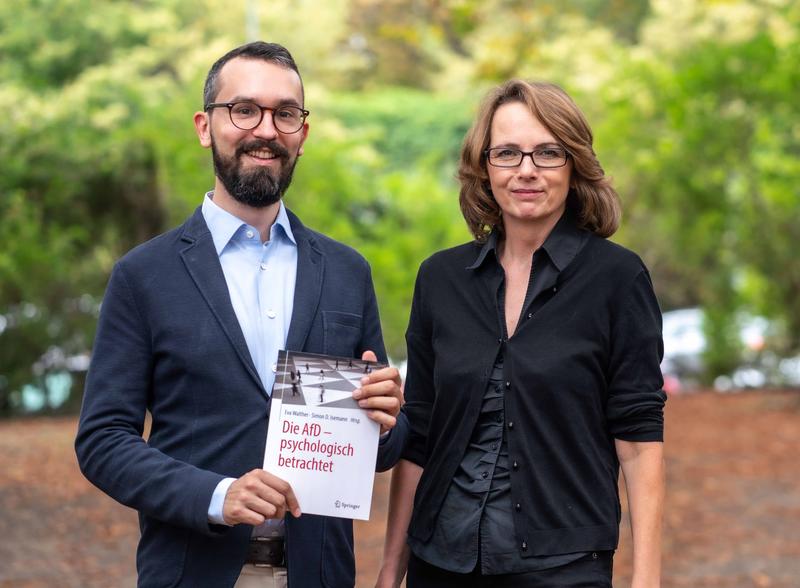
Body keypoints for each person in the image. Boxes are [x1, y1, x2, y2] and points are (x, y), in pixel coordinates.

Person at [75, 41, 406, 588]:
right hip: (194, 570)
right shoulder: (144, 275)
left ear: (303, 133)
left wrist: (387, 417)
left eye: (286, 113)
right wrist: (217, 496)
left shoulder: (348, 271)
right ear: (206, 126)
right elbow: (104, 441)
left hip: (318, 574)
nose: (267, 130)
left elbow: (384, 447)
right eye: (245, 109)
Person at [376, 80, 666, 588]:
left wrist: (645, 581)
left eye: (547, 152)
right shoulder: (439, 279)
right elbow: (420, 433)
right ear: (484, 167)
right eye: (507, 153)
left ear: (574, 165)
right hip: (440, 560)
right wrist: (388, 572)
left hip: (564, 567)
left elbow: (639, 445)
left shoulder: (617, 280)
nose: (526, 170)